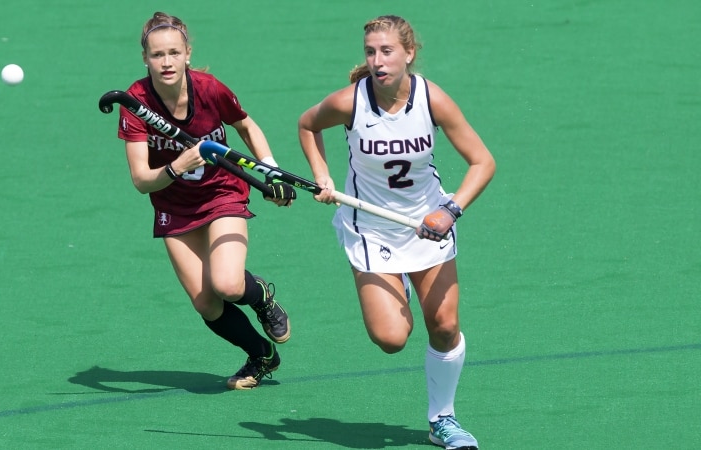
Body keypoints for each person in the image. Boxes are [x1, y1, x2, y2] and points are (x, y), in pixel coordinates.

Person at [297, 15, 495, 449]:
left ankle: (442, 419)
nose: (377, 60)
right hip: (371, 230)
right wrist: (322, 175)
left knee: (444, 326)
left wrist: (450, 210)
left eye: (387, 51)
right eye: (370, 52)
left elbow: (483, 162)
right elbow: (307, 125)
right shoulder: (349, 102)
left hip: (427, 225)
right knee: (390, 338)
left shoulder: (431, 99)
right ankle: (396, 283)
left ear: (409, 53)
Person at [116, 12, 296, 390]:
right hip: (173, 205)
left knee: (227, 284)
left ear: (187, 54)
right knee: (206, 303)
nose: (166, 62)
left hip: (221, 191)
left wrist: (273, 172)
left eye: (174, 53)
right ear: (145, 58)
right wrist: (178, 166)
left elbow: (245, 124)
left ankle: (261, 297)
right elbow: (141, 181)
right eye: (157, 55)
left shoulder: (210, 89)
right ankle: (261, 355)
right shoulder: (135, 103)